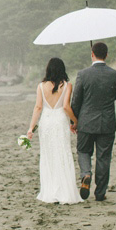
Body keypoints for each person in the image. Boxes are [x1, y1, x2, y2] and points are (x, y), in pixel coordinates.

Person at [71, 42, 116, 202]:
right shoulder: (115, 75)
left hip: (86, 122)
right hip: (107, 122)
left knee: (83, 151)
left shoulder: (83, 74)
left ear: (92, 54)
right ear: (106, 55)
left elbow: (76, 100)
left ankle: (86, 174)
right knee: (104, 157)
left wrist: (74, 121)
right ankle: (100, 193)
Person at [27, 57, 83, 204]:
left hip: (46, 122)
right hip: (59, 122)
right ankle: (64, 191)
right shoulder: (67, 85)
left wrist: (31, 128)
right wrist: (75, 121)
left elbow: (38, 107)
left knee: (48, 155)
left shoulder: (40, 86)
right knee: (62, 153)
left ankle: (50, 192)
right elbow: (66, 107)